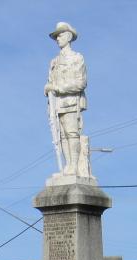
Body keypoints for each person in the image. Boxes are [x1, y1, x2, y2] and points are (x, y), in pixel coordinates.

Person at [44, 22, 88, 177]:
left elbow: (81, 83)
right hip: (57, 104)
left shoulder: (77, 58)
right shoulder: (54, 62)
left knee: (71, 133)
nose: (57, 39)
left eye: (60, 35)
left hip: (71, 102)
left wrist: (58, 88)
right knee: (61, 135)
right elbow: (50, 82)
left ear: (68, 36)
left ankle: (74, 167)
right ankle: (67, 166)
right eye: (56, 36)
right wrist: (48, 88)